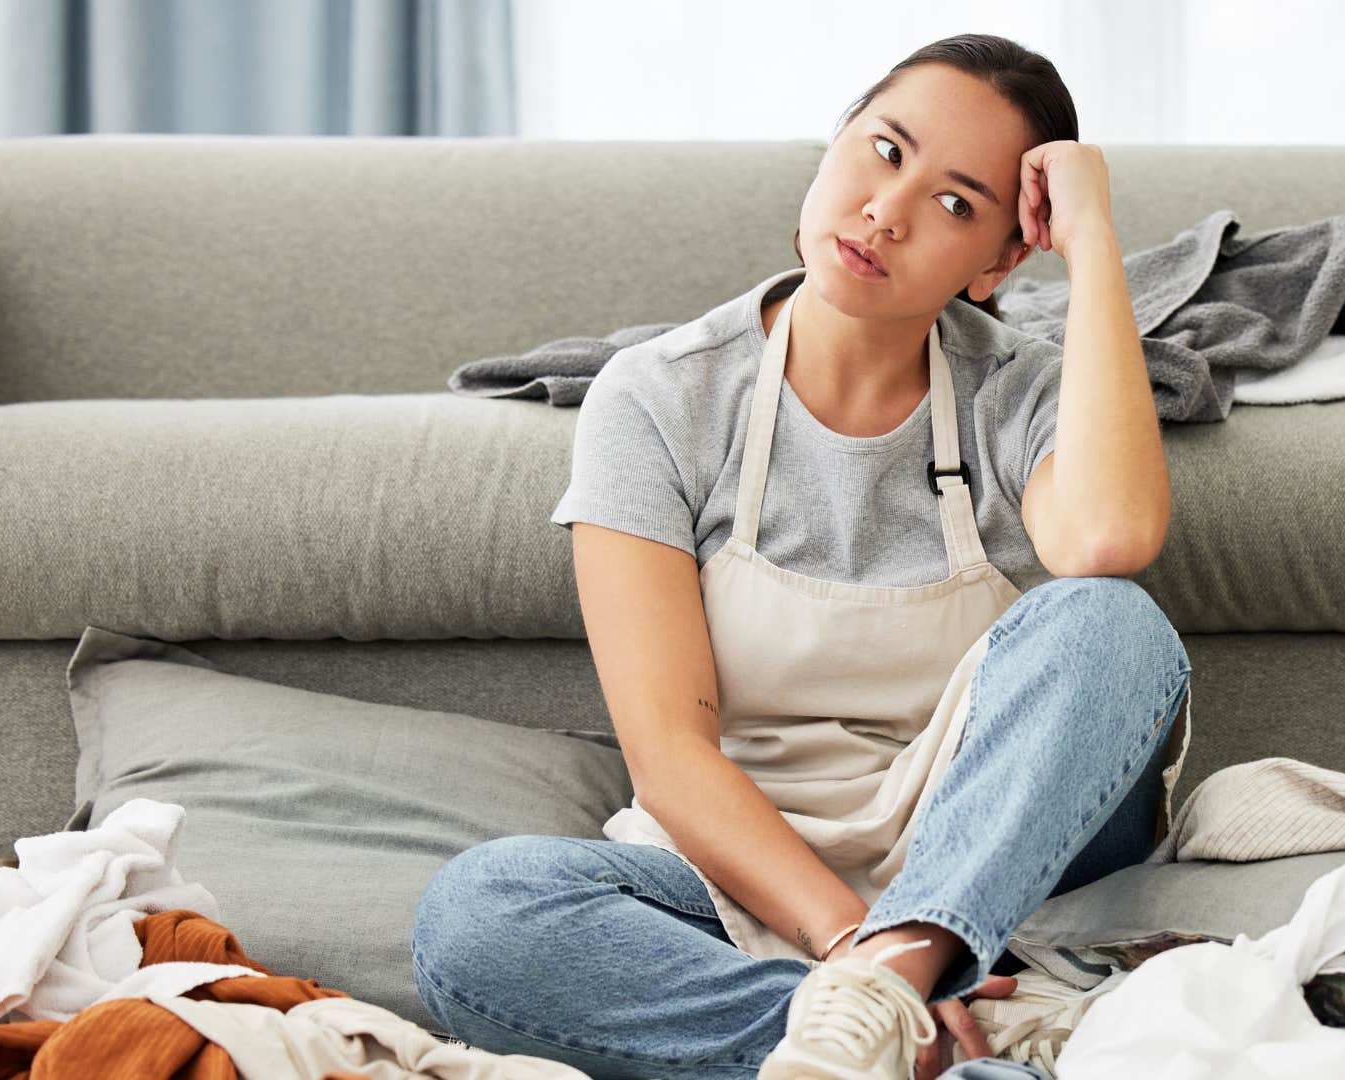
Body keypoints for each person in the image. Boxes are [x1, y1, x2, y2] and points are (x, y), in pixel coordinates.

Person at [411, 32, 1190, 1080]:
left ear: (1001, 263)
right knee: (477, 920)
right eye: (882, 150)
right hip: (736, 873)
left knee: (1110, 621)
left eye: (957, 205)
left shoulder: (1026, 392)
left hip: (994, 853)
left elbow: (1107, 540)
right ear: (834, 145)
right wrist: (848, 951)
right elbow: (670, 757)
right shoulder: (659, 399)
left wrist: (1092, 240)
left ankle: (894, 997)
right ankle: (938, 1032)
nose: (889, 210)